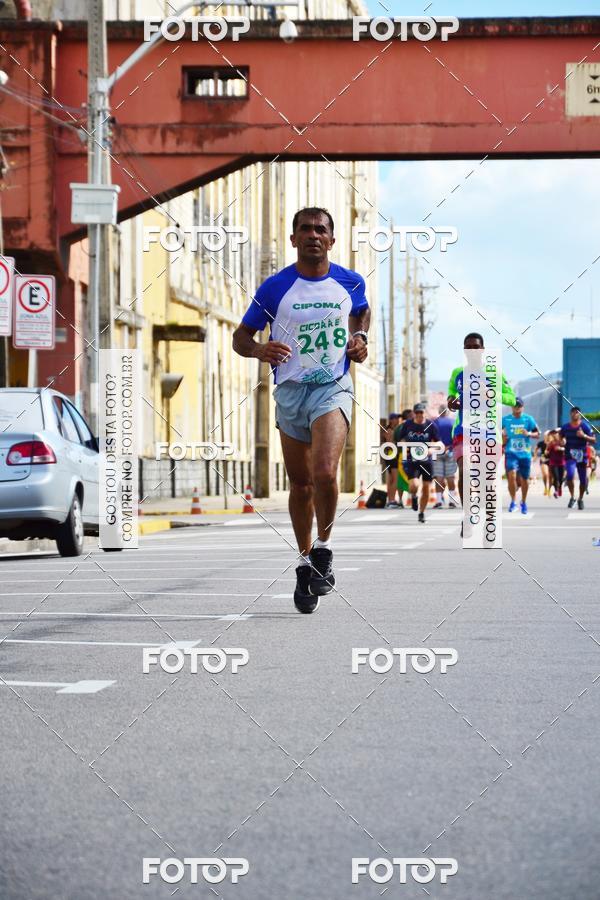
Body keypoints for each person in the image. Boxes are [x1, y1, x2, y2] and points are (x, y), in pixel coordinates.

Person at [232, 207, 370, 613]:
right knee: (302, 484)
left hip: (332, 387)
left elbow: (360, 310)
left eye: (321, 230)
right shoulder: (276, 288)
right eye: (305, 229)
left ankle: (324, 549)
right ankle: (306, 559)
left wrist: (359, 337)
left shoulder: (349, 282)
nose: (313, 235)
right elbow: (241, 336)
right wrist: (259, 349)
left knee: (325, 472)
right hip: (290, 392)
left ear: (332, 239)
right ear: (293, 239)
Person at [447, 333, 516, 505]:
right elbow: (451, 396)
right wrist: (452, 402)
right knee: (465, 470)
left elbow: (512, 399)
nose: (472, 350)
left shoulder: (494, 373)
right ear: (464, 350)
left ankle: (485, 512)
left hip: (489, 433)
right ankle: (467, 515)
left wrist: (491, 393)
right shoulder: (457, 373)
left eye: (475, 347)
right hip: (464, 431)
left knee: (486, 482)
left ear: (482, 350)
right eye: (468, 347)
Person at [395, 402, 443, 524]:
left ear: (424, 413)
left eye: (421, 412)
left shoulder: (430, 426)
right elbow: (401, 439)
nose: (419, 415)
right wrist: (404, 445)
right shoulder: (408, 425)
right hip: (412, 460)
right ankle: (414, 496)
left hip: (426, 461)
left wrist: (431, 450)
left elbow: (440, 443)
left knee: (426, 488)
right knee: (414, 485)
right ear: (414, 414)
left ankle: (421, 512)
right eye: (417, 413)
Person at [502, 398, 540, 515]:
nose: (517, 407)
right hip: (511, 453)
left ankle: (523, 501)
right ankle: (513, 502)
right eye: (515, 405)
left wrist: (528, 433)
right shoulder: (505, 419)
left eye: (519, 406)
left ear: (523, 407)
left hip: (525, 454)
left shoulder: (528, 419)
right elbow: (497, 434)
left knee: (524, 479)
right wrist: (503, 437)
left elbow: (538, 434)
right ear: (511, 407)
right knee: (511, 475)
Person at [559, 407, 596, 509]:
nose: (575, 414)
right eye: (573, 412)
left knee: (583, 480)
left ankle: (580, 498)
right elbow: (560, 437)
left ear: (580, 414)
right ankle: (572, 497)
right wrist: (562, 442)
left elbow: (594, 440)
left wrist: (584, 436)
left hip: (582, 456)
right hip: (570, 455)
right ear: (570, 414)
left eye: (577, 412)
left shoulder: (585, 426)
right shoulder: (565, 427)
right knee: (570, 475)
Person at [432, 404, 458, 508]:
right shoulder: (453, 422)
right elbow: (456, 438)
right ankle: (452, 501)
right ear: (447, 412)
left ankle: (439, 501)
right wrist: (449, 447)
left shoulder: (434, 423)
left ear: (439, 411)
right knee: (450, 477)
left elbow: (431, 438)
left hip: (437, 451)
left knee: (439, 477)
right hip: (451, 451)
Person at [384, 413, 401, 507]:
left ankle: (390, 500)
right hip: (392, 455)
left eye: (398, 418)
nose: (398, 420)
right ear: (391, 420)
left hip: (391, 455)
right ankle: (392, 500)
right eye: (395, 419)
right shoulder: (389, 430)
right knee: (395, 478)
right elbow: (390, 444)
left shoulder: (394, 429)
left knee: (391, 479)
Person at [546, 428, 565, 498]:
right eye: (554, 434)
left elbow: (567, 448)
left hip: (561, 462)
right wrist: (547, 452)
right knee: (556, 477)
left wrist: (561, 448)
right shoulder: (551, 443)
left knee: (561, 478)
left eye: (556, 434)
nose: (555, 435)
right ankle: (556, 491)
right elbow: (546, 451)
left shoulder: (562, 441)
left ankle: (559, 487)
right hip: (553, 463)